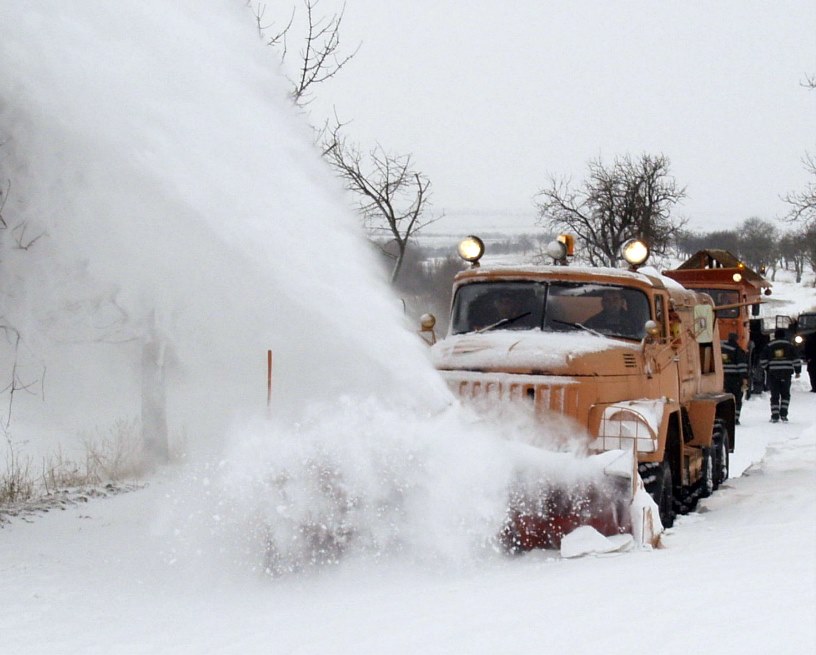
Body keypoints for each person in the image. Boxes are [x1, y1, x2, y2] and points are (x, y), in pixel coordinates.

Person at [759, 329, 802, 422]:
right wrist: (798, 371)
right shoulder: (790, 345)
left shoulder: (769, 346)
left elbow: (762, 361)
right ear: (784, 335)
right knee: (785, 394)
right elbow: (796, 359)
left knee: (775, 395)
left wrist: (767, 368)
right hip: (786, 374)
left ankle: (775, 415)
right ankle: (784, 414)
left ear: (775, 335)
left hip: (773, 374)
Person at [720, 332, 749, 424]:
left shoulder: (721, 349)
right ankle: (735, 418)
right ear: (736, 339)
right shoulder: (738, 350)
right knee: (736, 399)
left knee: (726, 399)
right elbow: (742, 366)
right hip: (735, 379)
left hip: (724, 378)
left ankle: (726, 417)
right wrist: (744, 379)